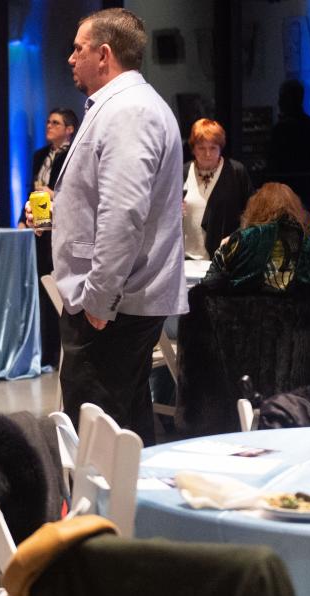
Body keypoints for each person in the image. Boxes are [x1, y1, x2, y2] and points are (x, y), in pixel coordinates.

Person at [42, 8, 188, 446]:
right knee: (122, 422)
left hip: (113, 303)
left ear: (104, 55)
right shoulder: (121, 105)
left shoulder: (129, 111)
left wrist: (99, 300)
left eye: (78, 49)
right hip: (114, 299)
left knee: (95, 433)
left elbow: (123, 213)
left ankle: (100, 516)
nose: (70, 58)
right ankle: (130, 514)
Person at [205, 182, 310, 316]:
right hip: (301, 339)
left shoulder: (239, 241)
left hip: (243, 337)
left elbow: (208, 287)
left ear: (253, 209)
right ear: (296, 209)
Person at [21, 107, 79, 368]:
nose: (49, 126)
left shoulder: (73, 155)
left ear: (69, 129)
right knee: (44, 286)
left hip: (64, 224)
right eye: (47, 121)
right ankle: (47, 351)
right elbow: (31, 188)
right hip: (42, 218)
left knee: (59, 287)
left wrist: (54, 194)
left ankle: (60, 351)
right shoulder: (40, 155)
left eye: (55, 123)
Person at [182, 117, 253, 259]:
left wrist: (235, 238)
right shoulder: (182, 171)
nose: (207, 154)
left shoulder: (235, 171)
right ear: (193, 149)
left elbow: (252, 213)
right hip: (186, 258)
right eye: (201, 148)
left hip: (225, 258)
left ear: (220, 148)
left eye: (213, 148)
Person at [266, 79, 310, 215]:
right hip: (306, 194)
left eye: (282, 98)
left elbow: (274, 165)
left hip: (285, 196)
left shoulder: (281, 129)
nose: (279, 102)